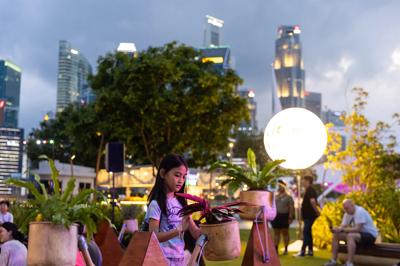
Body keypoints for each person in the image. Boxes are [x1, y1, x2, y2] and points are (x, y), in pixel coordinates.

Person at [145, 154, 201, 266]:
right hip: (161, 259)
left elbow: (195, 233)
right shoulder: (156, 204)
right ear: (163, 174)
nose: (181, 180)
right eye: (177, 175)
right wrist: (178, 230)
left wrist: (212, 225)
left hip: (179, 259)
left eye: (184, 176)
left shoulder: (182, 203)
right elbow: (153, 236)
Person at [324, 199, 378, 266]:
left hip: (370, 236)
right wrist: (337, 229)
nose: (346, 210)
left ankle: (349, 263)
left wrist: (342, 230)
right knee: (336, 235)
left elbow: (357, 229)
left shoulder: (359, 211)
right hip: (359, 235)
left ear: (352, 205)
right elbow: (343, 226)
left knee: (350, 236)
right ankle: (333, 260)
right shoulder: (347, 214)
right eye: (344, 209)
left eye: (347, 208)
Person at [297, 175, 320, 257]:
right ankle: (310, 251)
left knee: (306, 232)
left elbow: (313, 201)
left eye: (303, 180)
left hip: (310, 216)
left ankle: (303, 251)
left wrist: (318, 212)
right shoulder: (308, 190)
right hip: (308, 216)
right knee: (308, 233)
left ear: (308, 181)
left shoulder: (310, 190)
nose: (302, 182)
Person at [271, 180, 294, 255]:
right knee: (276, 233)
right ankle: (276, 249)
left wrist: (290, 217)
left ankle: (286, 249)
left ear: (284, 187)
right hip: (276, 216)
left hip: (284, 216)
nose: (279, 187)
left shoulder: (288, 197)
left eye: (281, 186)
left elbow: (291, 207)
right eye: (278, 186)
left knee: (285, 233)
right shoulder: (275, 196)